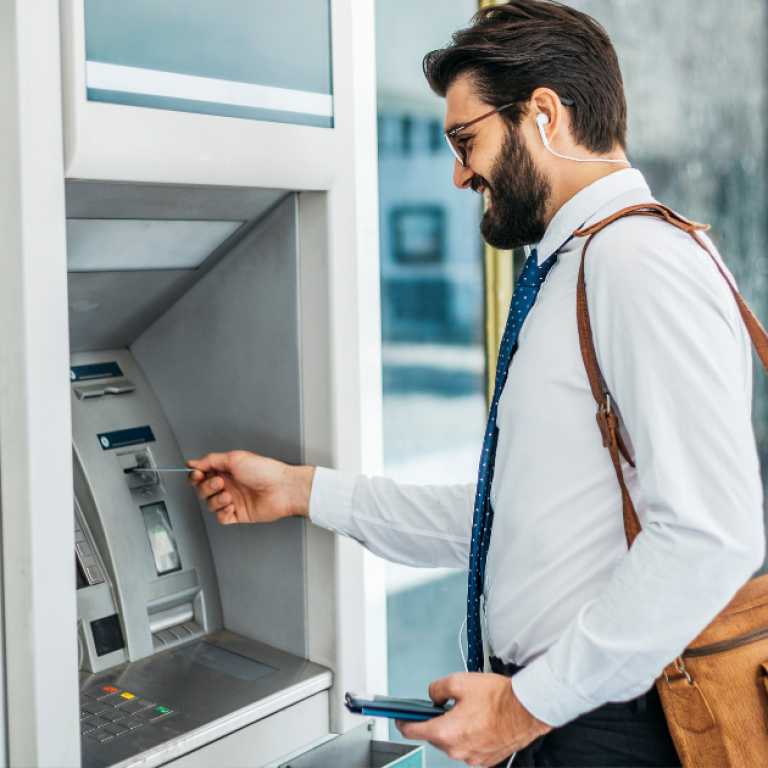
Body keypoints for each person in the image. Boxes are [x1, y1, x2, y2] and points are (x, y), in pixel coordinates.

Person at [189, 2, 766, 766]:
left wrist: (526, 708)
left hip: (610, 726)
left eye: (467, 140)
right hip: (574, 718)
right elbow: (514, 517)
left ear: (545, 116)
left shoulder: (636, 263)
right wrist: (302, 490)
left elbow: (711, 533)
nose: (460, 174)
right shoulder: (576, 268)